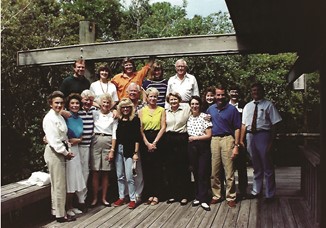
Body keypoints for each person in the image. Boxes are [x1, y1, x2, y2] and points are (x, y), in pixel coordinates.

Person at [240, 82, 282, 201]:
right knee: (256, 165)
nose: (256, 92)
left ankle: (270, 194)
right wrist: (241, 140)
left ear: (262, 91)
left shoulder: (268, 105)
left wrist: (271, 142)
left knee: (267, 165)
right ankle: (256, 191)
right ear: (251, 92)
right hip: (250, 136)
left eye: (258, 90)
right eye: (253, 90)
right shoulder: (247, 106)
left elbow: (275, 124)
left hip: (263, 135)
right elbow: (244, 124)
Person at [42, 91, 75, 223]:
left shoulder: (59, 116)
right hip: (54, 152)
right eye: (56, 102)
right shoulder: (49, 119)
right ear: (51, 103)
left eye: (61, 103)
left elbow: (64, 137)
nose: (59, 105)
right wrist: (65, 153)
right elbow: (54, 140)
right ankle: (60, 215)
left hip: (61, 151)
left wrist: (68, 150)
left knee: (60, 183)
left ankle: (58, 211)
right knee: (59, 184)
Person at [206, 85, 241, 208]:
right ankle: (216, 195)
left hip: (228, 139)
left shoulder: (232, 110)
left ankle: (231, 196)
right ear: (215, 95)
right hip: (214, 139)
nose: (220, 97)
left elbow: (237, 128)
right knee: (214, 170)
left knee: (229, 170)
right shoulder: (210, 109)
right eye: (218, 95)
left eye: (222, 95)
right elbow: (206, 124)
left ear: (225, 95)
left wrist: (236, 145)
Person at [139, 87, 166, 206]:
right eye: (151, 96)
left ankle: (157, 194)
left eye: (155, 96)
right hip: (145, 139)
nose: (153, 98)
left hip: (158, 139)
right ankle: (149, 193)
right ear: (147, 97)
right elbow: (140, 129)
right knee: (147, 168)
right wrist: (146, 143)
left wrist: (154, 142)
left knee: (157, 168)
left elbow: (163, 127)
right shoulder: (142, 110)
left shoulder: (161, 110)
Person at [90, 93, 118, 207]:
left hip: (108, 141)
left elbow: (114, 134)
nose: (106, 104)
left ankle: (104, 198)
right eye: (104, 102)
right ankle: (95, 198)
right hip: (96, 140)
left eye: (108, 102)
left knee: (106, 172)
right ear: (100, 104)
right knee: (95, 171)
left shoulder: (113, 115)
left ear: (111, 104)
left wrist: (112, 149)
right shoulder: (94, 113)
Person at [113, 98, 141, 209]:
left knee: (129, 176)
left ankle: (132, 198)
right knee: (120, 175)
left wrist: (135, 152)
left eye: (127, 107)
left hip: (129, 150)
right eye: (123, 107)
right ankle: (121, 197)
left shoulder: (135, 119)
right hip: (118, 150)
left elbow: (137, 137)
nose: (125, 109)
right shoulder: (118, 120)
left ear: (131, 108)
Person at [165, 92, 191, 205]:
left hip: (181, 138)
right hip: (169, 138)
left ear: (179, 100)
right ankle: (172, 194)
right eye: (171, 100)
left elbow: (196, 113)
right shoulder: (165, 112)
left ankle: (184, 195)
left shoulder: (186, 109)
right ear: (168, 101)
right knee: (171, 167)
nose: (173, 101)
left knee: (183, 167)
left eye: (175, 99)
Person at [187, 96, 212, 211]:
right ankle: (197, 196)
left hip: (202, 147)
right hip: (192, 147)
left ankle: (204, 198)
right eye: (192, 104)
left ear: (200, 105)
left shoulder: (204, 117)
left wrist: (196, 138)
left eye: (196, 104)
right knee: (196, 172)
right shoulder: (188, 118)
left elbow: (208, 135)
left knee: (203, 172)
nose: (194, 106)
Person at [64, 93, 86, 217]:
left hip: (76, 149)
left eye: (77, 103)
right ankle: (67, 207)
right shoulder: (65, 116)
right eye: (72, 103)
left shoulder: (79, 118)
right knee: (69, 179)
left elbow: (79, 137)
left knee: (75, 178)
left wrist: (78, 140)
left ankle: (72, 205)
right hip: (68, 151)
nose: (75, 105)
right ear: (68, 104)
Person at [77, 90, 97, 211]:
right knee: (76, 173)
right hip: (76, 146)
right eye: (86, 99)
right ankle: (77, 199)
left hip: (88, 146)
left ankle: (82, 200)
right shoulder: (75, 111)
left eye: (90, 100)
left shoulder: (93, 112)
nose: (88, 102)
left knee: (86, 173)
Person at [228, 86, 249, 199]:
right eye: (232, 91)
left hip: (241, 138)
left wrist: (241, 139)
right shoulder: (225, 105)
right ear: (229, 93)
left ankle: (243, 190)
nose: (234, 94)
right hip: (228, 137)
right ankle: (229, 190)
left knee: (241, 166)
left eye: (236, 91)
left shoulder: (244, 106)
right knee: (228, 166)